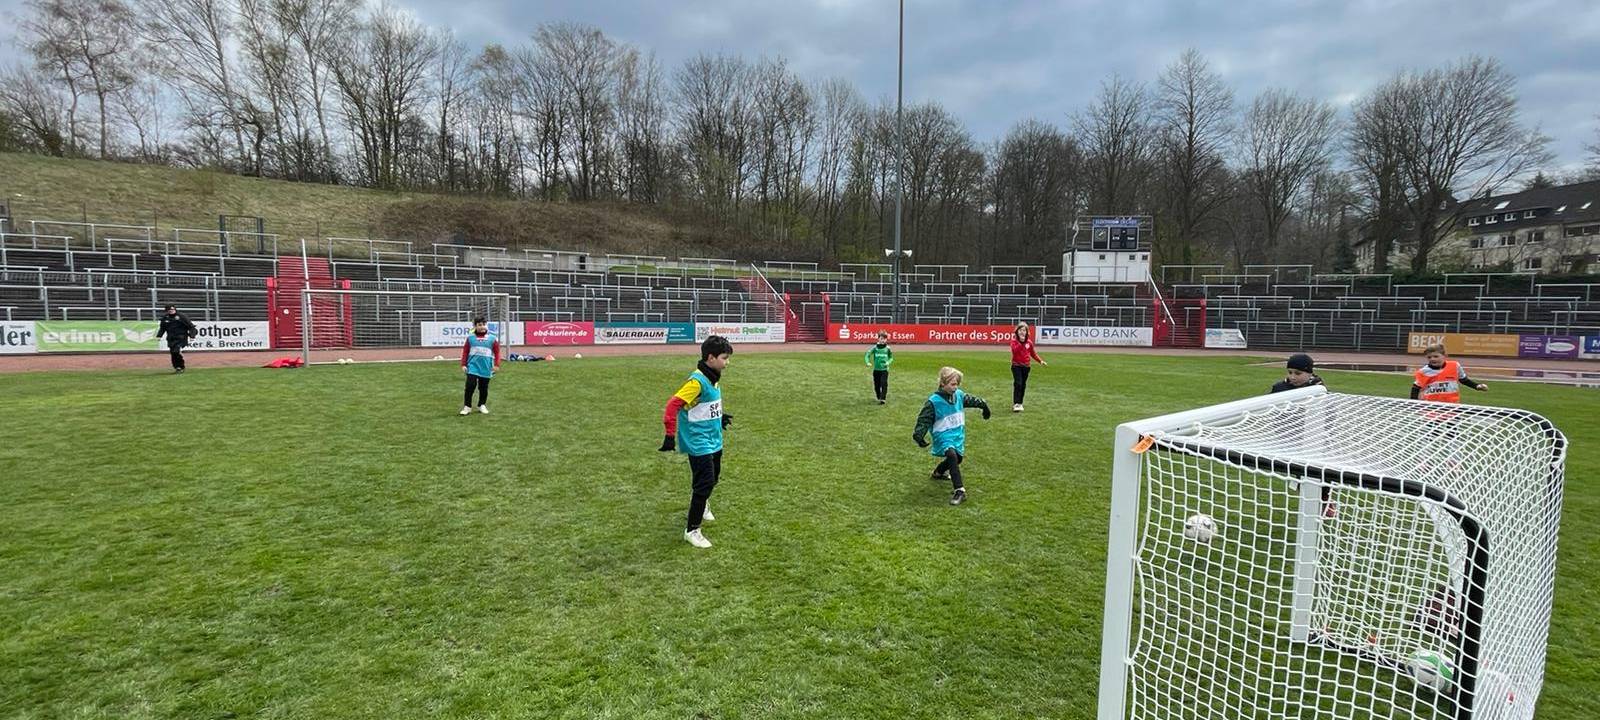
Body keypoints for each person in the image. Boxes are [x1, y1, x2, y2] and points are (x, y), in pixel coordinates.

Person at [659, 335, 735, 548]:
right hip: (698, 441)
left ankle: (703, 506)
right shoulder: (696, 381)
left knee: (713, 478)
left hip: (714, 439)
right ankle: (692, 530)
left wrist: (719, 416)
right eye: (724, 357)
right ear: (710, 358)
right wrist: (669, 434)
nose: (727, 362)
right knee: (704, 483)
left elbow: (703, 405)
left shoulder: (713, 376)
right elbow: (673, 405)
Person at [912, 366, 992, 506]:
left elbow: (971, 400)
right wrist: (919, 435)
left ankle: (938, 472)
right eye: (953, 384)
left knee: (957, 458)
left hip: (957, 435)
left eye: (957, 384)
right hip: (942, 435)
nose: (956, 387)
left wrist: (983, 406)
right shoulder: (933, 402)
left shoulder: (959, 395)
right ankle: (959, 490)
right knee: (952, 455)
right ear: (943, 383)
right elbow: (924, 420)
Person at [1411, 344, 1488, 402]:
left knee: (1454, 423)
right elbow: (1416, 388)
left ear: (1445, 356)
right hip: (1432, 407)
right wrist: (1414, 403)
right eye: (1429, 357)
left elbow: (1464, 380)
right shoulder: (1423, 371)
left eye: (1436, 356)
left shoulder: (1455, 366)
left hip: (1452, 406)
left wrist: (1477, 386)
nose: (1432, 359)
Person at [459, 318, 500, 415]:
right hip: (472, 366)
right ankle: (467, 407)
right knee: (470, 386)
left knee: (483, 387)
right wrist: (463, 364)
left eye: (483, 324)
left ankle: (481, 405)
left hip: (486, 367)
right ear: (475, 326)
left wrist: (497, 365)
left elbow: (497, 353)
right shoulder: (470, 338)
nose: (481, 327)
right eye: (479, 325)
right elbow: (465, 352)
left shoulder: (492, 339)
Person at [1009, 321, 1046, 413]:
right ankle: (1016, 403)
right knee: (1018, 383)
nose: (1022, 332)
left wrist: (1040, 361)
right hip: (1016, 366)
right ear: (1017, 331)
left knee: (1023, 385)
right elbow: (1015, 351)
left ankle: (1020, 403)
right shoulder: (1014, 341)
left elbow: (1033, 354)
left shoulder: (1029, 342)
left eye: (1024, 330)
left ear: (1027, 332)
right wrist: (1021, 342)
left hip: (1026, 367)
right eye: (1020, 330)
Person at [156, 304, 197, 373]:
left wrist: (192, 336)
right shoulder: (165, 318)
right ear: (167, 311)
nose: (171, 311)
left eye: (172, 309)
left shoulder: (181, 316)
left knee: (176, 351)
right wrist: (159, 336)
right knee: (173, 353)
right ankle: (177, 367)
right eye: (169, 310)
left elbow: (191, 327)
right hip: (171, 338)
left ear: (175, 309)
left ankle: (181, 366)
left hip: (181, 337)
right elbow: (162, 328)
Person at [864, 329, 894, 404]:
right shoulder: (875, 348)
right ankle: (878, 396)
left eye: (884, 339)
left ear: (886, 339)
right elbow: (867, 355)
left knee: (884, 383)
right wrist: (867, 362)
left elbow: (891, 358)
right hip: (876, 370)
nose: (883, 340)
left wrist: (888, 362)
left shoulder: (888, 349)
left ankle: (883, 399)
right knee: (877, 385)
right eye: (881, 338)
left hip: (884, 369)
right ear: (878, 339)